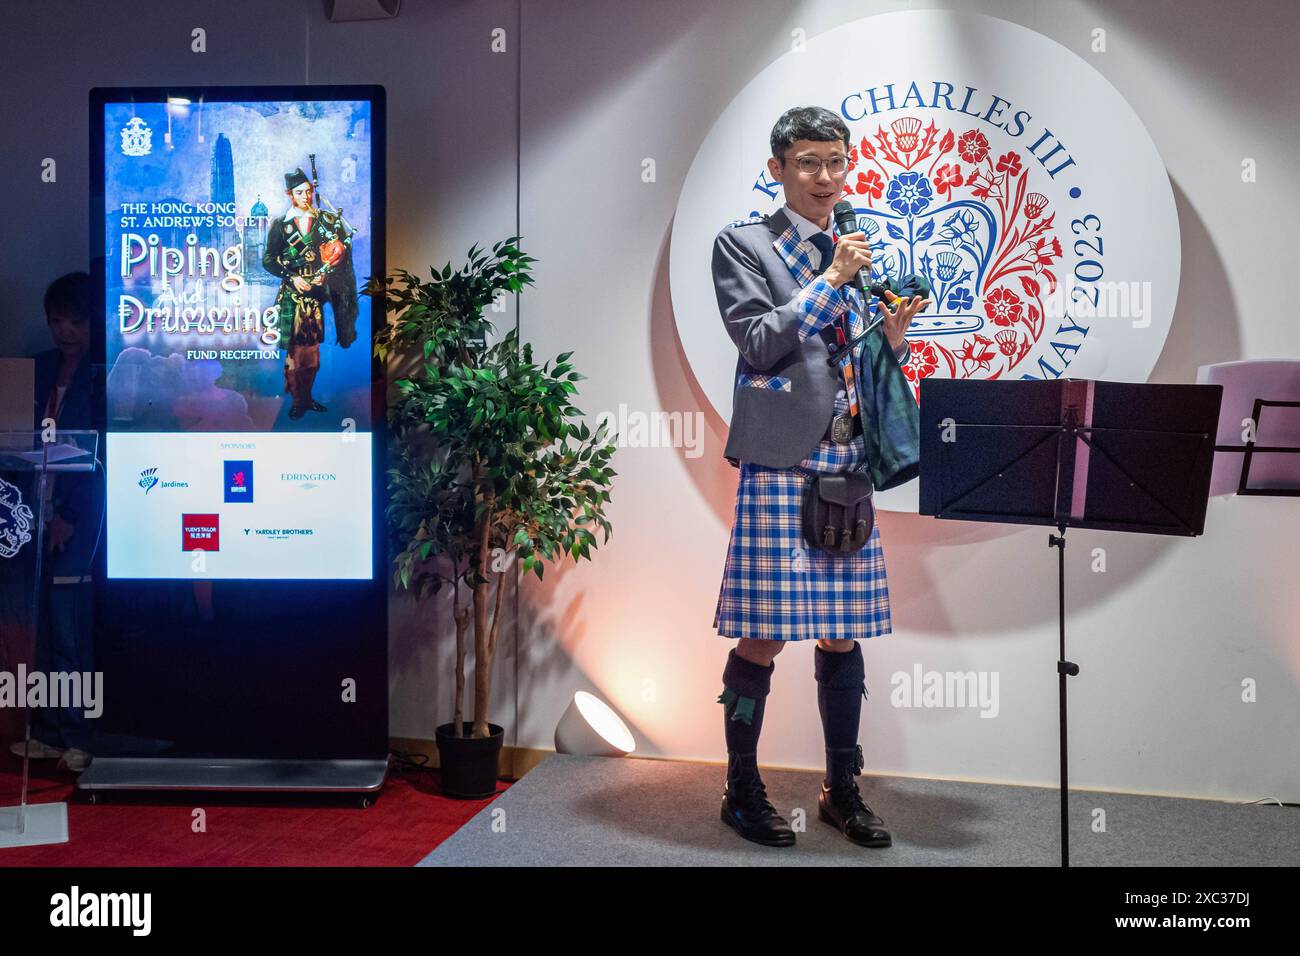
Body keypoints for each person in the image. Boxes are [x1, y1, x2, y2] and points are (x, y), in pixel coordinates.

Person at [711, 106, 930, 848]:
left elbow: (858, 359)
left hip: (849, 460)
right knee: (763, 635)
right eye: (808, 162)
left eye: (836, 161)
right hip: (780, 465)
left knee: (842, 634)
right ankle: (741, 789)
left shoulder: (857, 243)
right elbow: (761, 342)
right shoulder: (743, 245)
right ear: (777, 168)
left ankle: (843, 788)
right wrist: (834, 279)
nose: (826, 177)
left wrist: (889, 335)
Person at [9, 271, 102, 773]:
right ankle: (46, 728)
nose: (65, 332)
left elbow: (97, 456)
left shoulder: (100, 372)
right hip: (30, 514)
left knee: (70, 634)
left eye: (76, 322)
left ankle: (79, 733)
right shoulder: (37, 369)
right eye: (56, 321)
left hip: (75, 521)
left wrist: (67, 517)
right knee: (42, 632)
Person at [262, 167, 356, 421]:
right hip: (292, 296)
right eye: (300, 192)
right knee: (295, 353)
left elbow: (337, 254)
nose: (306, 196)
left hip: (315, 298)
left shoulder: (325, 223)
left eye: (309, 191)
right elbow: (268, 260)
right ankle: (297, 401)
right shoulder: (281, 226)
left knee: (312, 352)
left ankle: (308, 397)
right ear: (289, 194)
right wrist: (292, 277)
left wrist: (327, 273)